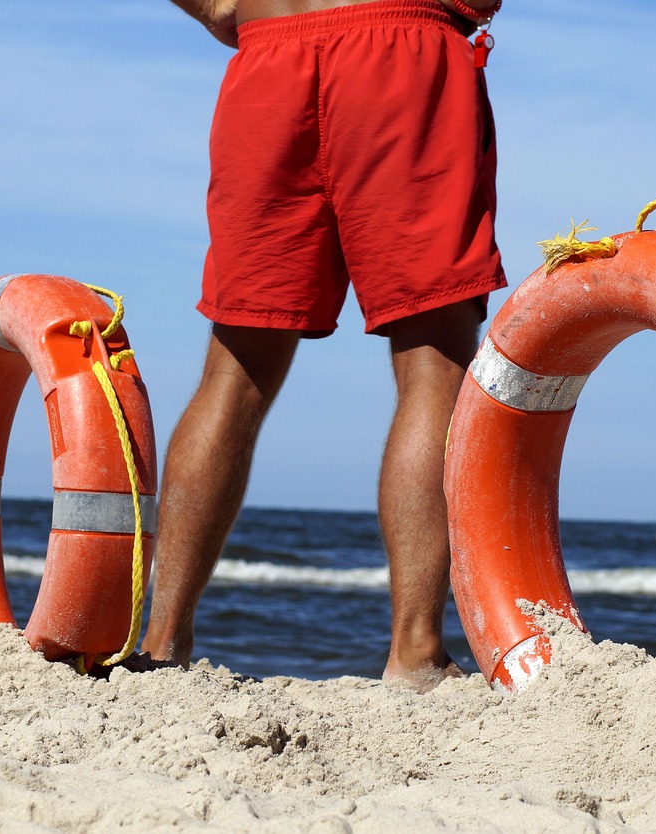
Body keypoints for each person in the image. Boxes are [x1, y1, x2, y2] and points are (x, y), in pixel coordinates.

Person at [143, 0, 506, 692]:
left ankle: (163, 646)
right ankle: (415, 652)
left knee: (234, 370)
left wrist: (224, 8)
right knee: (435, 364)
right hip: (403, 49)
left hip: (269, 53)